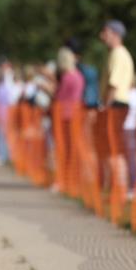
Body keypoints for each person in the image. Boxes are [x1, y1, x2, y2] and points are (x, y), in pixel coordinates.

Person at [99, 20, 135, 192]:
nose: (102, 35)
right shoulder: (117, 53)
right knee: (113, 146)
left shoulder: (118, 54)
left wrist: (105, 107)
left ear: (115, 34)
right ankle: (116, 186)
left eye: (105, 32)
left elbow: (113, 84)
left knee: (113, 147)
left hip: (115, 104)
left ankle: (118, 187)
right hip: (116, 104)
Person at [51, 47, 85, 194]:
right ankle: (73, 180)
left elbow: (59, 96)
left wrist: (50, 89)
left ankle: (62, 180)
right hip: (76, 114)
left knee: (63, 149)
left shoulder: (67, 77)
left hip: (64, 116)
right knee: (73, 148)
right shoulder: (79, 76)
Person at [123, 75, 136, 197]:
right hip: (134, 128)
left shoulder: (128, 94)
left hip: (127, 127)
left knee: (129, 158)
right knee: (132, 158)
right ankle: (133, 186)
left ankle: (131, 187)